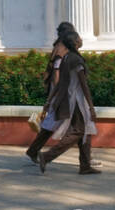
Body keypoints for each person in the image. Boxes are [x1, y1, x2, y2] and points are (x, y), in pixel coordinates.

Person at [34, 26, 101, 175]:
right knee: (78, 131)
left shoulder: (66, 58)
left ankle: (85, 165)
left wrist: (49, 101)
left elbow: (60, 84)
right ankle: (47, 156)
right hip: (77, 101)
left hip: (67, 100)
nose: (81, 40)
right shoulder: (76, 60)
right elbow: (84, 86)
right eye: (79, 38)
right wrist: (91, 107)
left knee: (85, 132)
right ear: (75, 43)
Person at [25, 22, 73, 163]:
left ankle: (86, 157)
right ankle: (34, 150)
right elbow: (57, 70)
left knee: (56, 124)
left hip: (59, 90)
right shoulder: (62, 48)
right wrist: (58, 90)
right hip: (60, 91)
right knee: (55, 123)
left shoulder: (59, 46)